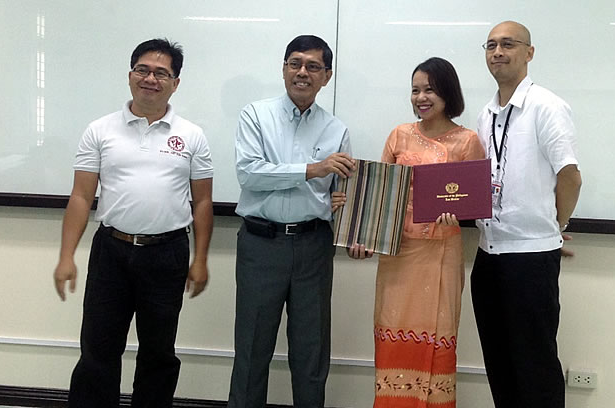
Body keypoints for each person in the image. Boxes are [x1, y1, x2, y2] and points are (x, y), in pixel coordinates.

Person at [52, 38, 214, 408]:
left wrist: (200, 260)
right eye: (143, 70)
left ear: (175, 82)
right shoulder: (100, 130)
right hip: (111, 251)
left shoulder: (191, 135)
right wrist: (66, 256)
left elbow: (202, 202)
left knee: (158, 353)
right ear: (130, 76)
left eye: (162, 73)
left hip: (168, 253)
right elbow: (80, 196)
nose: (151, 79)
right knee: (98, 348)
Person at [338, 57, 485, 407]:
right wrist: (361, 232)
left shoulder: (467, 142)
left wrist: (460, 217)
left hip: (441, 257)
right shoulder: (399, 135)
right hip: (397, 254)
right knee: (392, 334)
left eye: (429, 89)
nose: (421, 97)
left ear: (448, 92)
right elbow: (378, 198)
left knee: (437, 337)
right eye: (415, 90)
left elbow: (476, 203)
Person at [228, 35, 355, 408]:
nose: (303, 72)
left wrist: (342, 204)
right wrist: (313, 170)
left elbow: (337, 192)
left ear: (327, 76)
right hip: (260, 245)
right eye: (295, 63)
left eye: (313, 66)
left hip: (313, 246)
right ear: (284, 68)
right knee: (252, 349)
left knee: (311, 353)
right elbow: (250, 174)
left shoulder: (337, 130)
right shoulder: (256, 115)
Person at [471, 21, 582, 408]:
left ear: (529, 53)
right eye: (490, 45)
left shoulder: (546, 107)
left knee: (534, 365)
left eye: (508, 44)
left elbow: (570, 176)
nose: (497, 52)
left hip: (530, 259)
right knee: (499, 364)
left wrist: (556, 226)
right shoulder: (486, 114)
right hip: (488, 255)